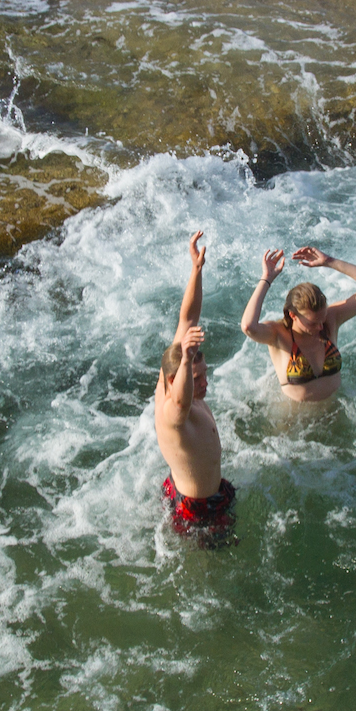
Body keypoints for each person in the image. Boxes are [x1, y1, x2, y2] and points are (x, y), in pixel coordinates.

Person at [155, 231, 236, 546]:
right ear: (174, 381)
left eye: (204, 374)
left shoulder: (171, 364)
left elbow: (188, 317)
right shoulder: (173, 411)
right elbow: (181, 402)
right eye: (196, 378)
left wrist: (197, 270)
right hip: (197, 511)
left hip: (205, 490)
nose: (205, 383)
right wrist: (188, 362)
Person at [240, 245, 356, 402]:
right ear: (293, 315)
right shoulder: (278, 334)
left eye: (322, 319)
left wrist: (329, 261)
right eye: (313, 323)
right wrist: (266, 279)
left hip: (338, 410)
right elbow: (248, 326)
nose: (321, 327)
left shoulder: (331, 318)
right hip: (296, 416)